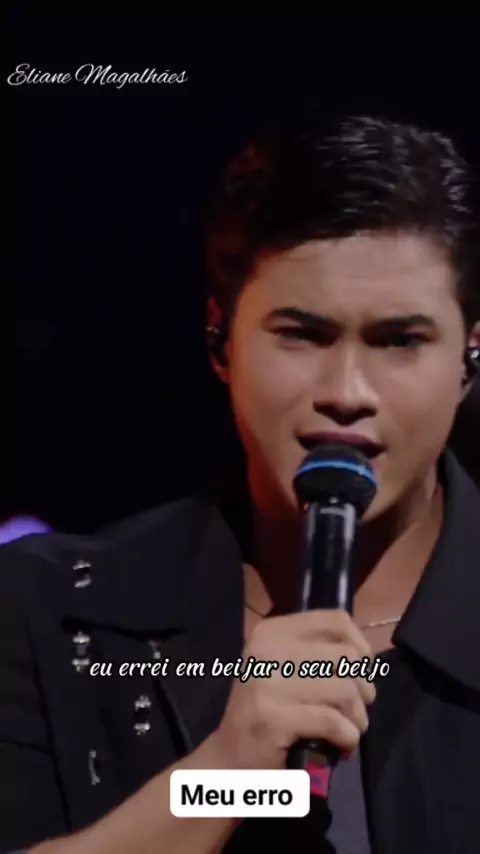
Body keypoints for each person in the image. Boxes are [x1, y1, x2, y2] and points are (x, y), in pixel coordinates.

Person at [1, 112, 480, 854]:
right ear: (220, 341)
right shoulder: (53, 611)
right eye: (302, 335)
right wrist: (227, 773)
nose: (346, 392)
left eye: (399, 341)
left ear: (470, 359)